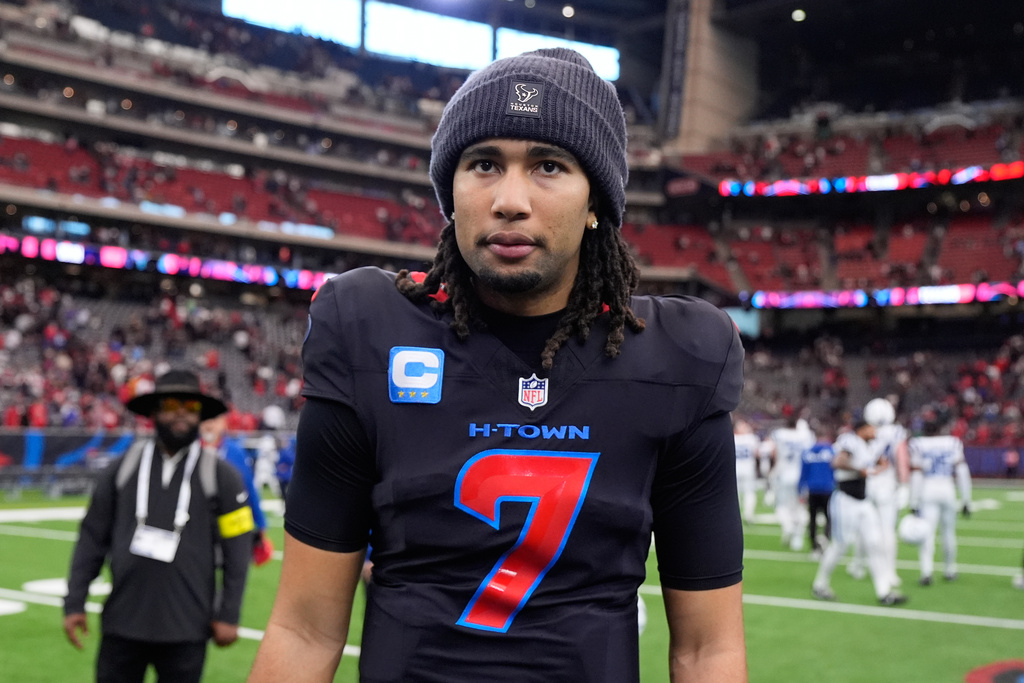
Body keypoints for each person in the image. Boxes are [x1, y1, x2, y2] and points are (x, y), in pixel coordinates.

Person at [248, 48, 747, 682]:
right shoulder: (366, 330)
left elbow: (708, 650)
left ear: (597, 200)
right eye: (484, 163)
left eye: (549, 165)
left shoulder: (679, 356)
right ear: (449, 191)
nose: (510, 200)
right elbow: (304, 629)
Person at [63, 369, 254, 683]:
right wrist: (74, 601)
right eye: (170, 404)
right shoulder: (120, 469)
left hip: (187, 628)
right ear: (153, 411)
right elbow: (92, 537)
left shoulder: (223, 477)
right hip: (122, 623)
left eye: (190, 407)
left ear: (201, 414)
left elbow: (239, 549)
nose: (181, 413)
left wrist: (229, 613)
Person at [811, 419, 907, 606]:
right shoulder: (850, 440)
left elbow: (875, 460)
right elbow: (838, 461)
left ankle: (884, 591)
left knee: (874, 543)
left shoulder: (867, 445)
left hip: (863, 502)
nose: (875, 431)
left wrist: (879, 465)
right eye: (871, 428)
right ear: (863, 429)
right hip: (845, 499)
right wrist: (860, 470)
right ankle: (820, 584)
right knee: (840, 545)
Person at [201, 413, 275, 566]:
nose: (210, 425)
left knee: (233, 571)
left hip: (231, 521)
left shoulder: (236, 452)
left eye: (214, 419)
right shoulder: (189, 449)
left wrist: (261, 523)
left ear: (223, 423)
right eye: (205, 419)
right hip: (197, 525)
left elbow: (249, 488)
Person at [848, 398, 907, 587]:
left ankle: (858, 565)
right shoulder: (897, 432)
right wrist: (905, 485)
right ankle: (889, 572)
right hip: (886, 484)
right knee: (887, 530)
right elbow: (901, 458)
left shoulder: (862, 431)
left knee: (863, 528)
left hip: (866, 483)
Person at [907, 421, 972, 585]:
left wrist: (913, 500)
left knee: (927, 534)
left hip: (928, 490)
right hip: (947, 489)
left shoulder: (918, 444)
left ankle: (926, 572)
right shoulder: (952, 442)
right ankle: (950, 570)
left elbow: (916, 474)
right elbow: (962, 472)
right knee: (949, 533)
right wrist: (966, 500)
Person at [768, 415, 814, 551]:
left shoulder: (779, 434)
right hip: (801, 477)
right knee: (800, 508)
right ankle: (797, 538)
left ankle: (788, 526)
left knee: (781, 506)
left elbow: (774, 454)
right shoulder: (806, 435)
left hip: (783, 475)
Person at [798, 423, 835, 559]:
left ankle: (814, 546)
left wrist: (800, 490)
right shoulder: (831, 451)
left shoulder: (808, 452)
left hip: (812, 489)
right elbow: (835, 471)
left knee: (812, 518)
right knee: (829, 517)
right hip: (828, 489)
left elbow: (803, 473)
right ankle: (825, 540)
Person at [734, 418, 760, 524]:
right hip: (748, 469)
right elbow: (757, 453)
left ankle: (736, 516)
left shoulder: (732, 438)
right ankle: (748, 515)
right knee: (749, 493)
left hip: (735, 469)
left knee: (736, 494)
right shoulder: (751, 438)